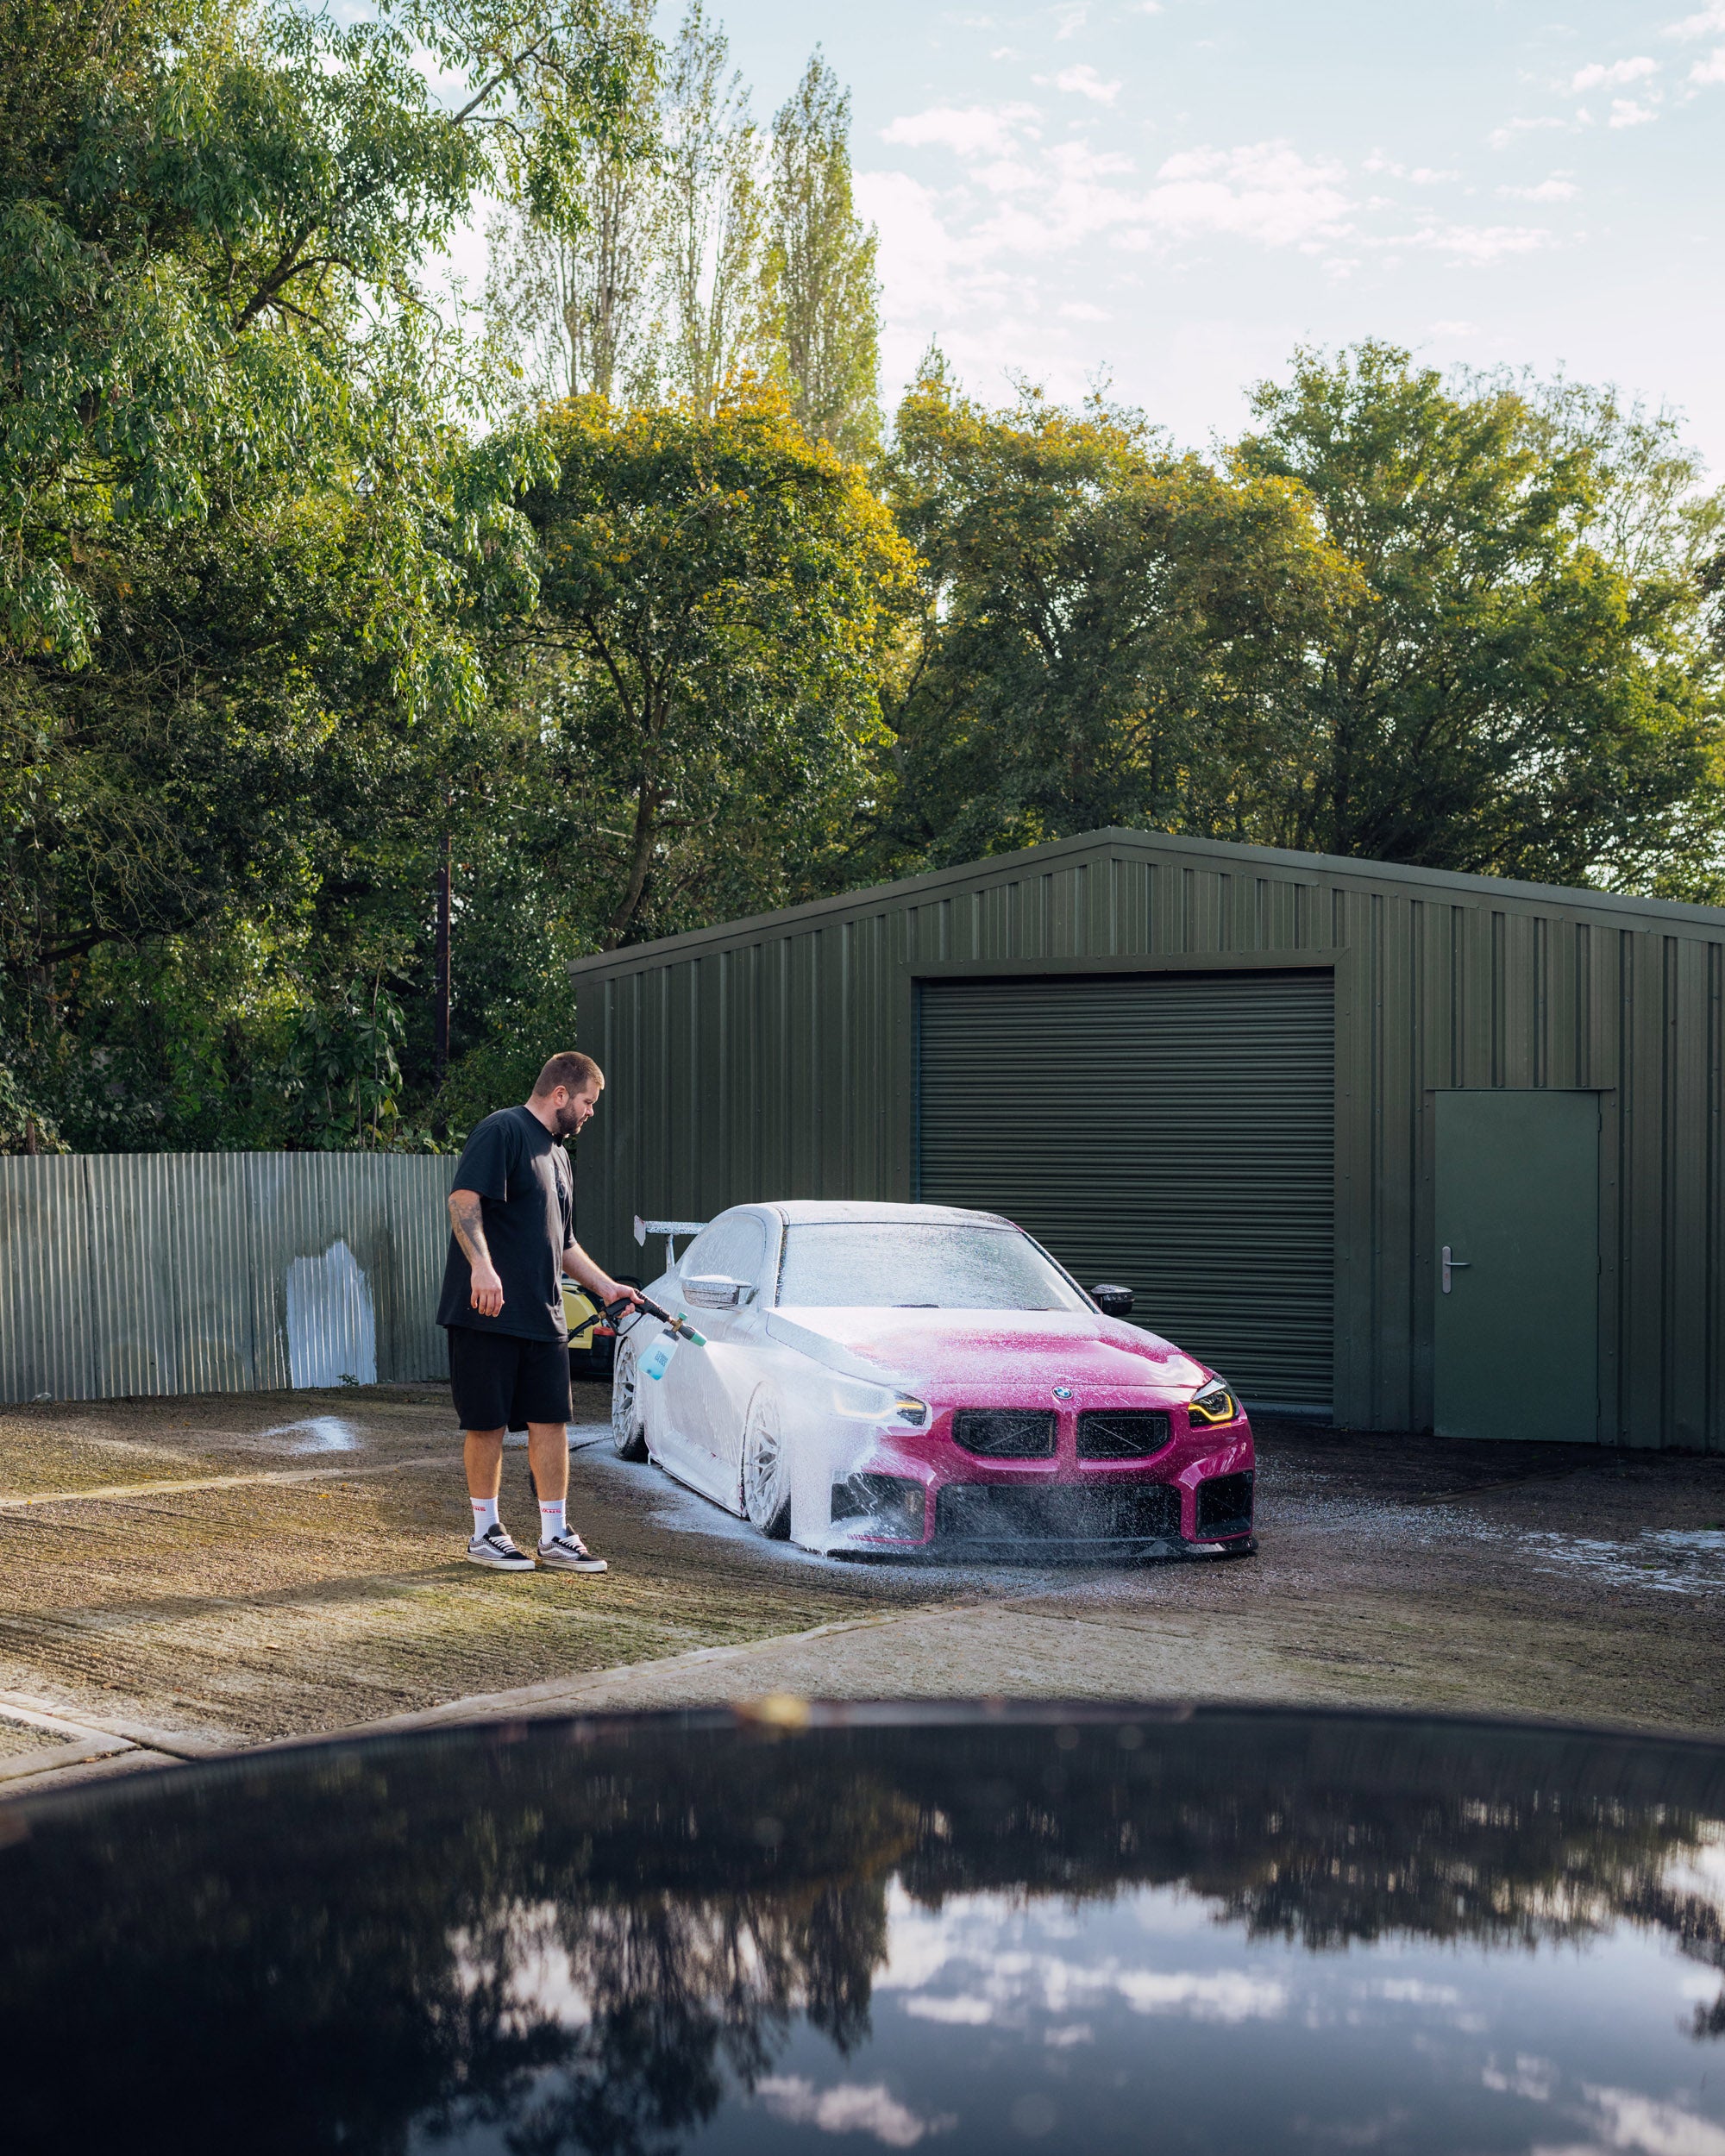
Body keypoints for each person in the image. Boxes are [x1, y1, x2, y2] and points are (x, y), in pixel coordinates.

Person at [436, 1050, 641, 1572]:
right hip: (487, 1311)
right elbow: (463, 1201)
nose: (590, 1112)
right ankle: (485, 1533)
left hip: (543, 1315)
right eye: (588, 1102)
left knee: (552, 1421)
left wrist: (607, 1287)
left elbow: (563, 1242)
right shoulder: (501, 1131)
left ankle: (555, 1536)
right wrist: (482, 1267)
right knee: (487, 1424)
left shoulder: (560, 1156)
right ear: (560, 1094)